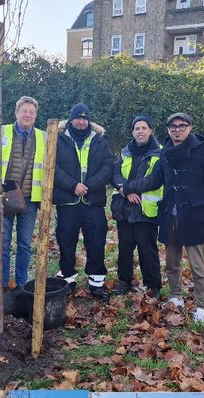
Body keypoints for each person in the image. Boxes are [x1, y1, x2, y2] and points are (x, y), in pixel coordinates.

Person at [130, 112, 204, 323]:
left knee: (197, 265)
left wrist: (201, 200)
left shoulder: (202, 151)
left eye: (182, 126)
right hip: (169, 214)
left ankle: (201, 305)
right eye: (173, 126)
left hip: (194, 216)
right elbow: (156, 178)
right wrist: (130, 187)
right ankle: (176, 296)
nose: (177, 130)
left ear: (189, 128)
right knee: (172, 262)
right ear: (168, 129)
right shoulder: (165, 153)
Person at [53, 103, 114, 299]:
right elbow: (52, 168)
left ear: (89, 120)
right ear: (70, 120)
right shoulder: (58, 139)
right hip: (67, 200)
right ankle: (68, 279)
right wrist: (73, 186)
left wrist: (89, 185)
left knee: (96, 241)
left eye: (84, 118)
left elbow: (108, 166)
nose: (81, 121)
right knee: (66, 241)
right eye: (77, 118)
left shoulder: (99, 140)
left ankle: (96, 282)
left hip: (92, 200)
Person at [0, 95, 46, 289]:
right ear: (16, 112)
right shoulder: (0, 132)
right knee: (3, 243)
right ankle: (3, 284)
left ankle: (22, 284)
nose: (28, 115)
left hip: (31, 199)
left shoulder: (43, 136)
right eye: (24, 111)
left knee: (24, 244)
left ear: (36, 115)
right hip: (4, 197)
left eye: (32, 112)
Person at [110, 115, 163, 297]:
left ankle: (153, 285)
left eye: (143, 128)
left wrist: (129, 188)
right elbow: (115, 174)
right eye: (137, 128)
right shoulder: (125, 152)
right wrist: (124, 190)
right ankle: (124, 281)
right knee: (124, 248)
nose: (140, 131)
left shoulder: (159, 153)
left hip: (146, 210)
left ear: (151, 130)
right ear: (133, 132)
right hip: (124, 208)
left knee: (147, 249)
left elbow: (155, 179)